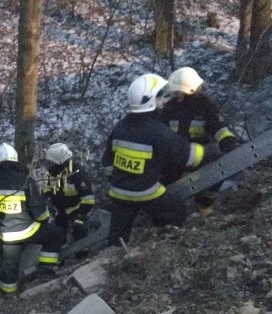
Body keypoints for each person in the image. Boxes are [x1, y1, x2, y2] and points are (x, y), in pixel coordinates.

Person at [101, 73, 206, 246]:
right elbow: (187, 156)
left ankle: (113, 262)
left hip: (118, 192)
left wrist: (119, 179)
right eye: (160, 97)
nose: (164, 101)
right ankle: (163, 244)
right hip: (146, 192)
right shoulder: (157, 130)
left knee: (117, 237)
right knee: (177, 211)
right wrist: (210, 152)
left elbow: (107, 162)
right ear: (150, 101)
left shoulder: (120, 127)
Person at [0, 143, 66, 294]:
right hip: (30, 231)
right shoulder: (25, 181)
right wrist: (44, 221)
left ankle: (9, 294)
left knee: (9, 266)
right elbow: (39, 212)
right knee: (56, 234)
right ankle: (45, 270)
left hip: (7, 236)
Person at [160, 66, 238, 211]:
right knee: (164, 186)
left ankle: (203, 205)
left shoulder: (205, 106)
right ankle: (166, 211)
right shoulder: (169, 108)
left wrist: (227, 139)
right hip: (174, 156)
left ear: (190, 90)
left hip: (200, 154)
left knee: (218, 167)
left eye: (178, 91)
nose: (176, 95)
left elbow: (218, 126)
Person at [42, 143, 96, 241]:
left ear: (59, 161)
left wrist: (81, 215)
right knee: (56, 232)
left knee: (79, 228)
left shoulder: (78, 173)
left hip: (77, 209)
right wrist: (42, 201)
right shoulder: (52, 172)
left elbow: (88, 198)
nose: (50, 163)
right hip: (60, 211)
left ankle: (82, 254)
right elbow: (48, 189)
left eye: (52, 161)